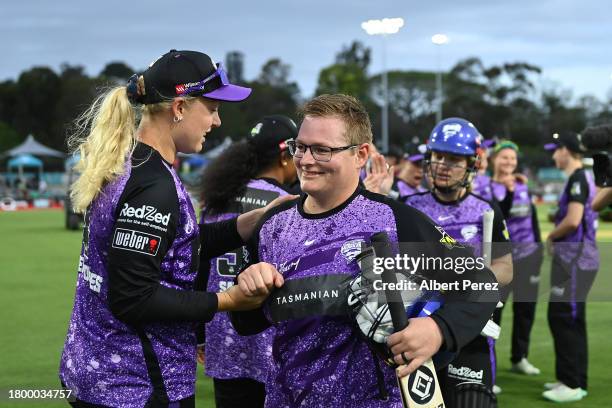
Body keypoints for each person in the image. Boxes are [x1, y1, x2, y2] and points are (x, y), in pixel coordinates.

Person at [231, 95, 498, 407]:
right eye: (300, 147)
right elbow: (248, 323)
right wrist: (248, 286)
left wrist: (437, 329)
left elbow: (480, 283)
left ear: (360, 155)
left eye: (322, 150)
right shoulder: (272, 225)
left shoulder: (394, 220)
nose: (304, 160)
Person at [58, 49, 287, 408]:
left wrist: (248, 223)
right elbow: (133, 297)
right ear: (179, 108)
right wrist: (228, 300)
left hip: (103, 373)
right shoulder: (153, 187)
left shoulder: (137, 164)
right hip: (136, 386)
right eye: (211, 108)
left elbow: (177, 249)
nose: (217, 122)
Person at [403, 117, 512, 406]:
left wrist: (470, 275)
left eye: (453, 159)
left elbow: (506, 268)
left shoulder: (486, 210)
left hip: (469, 329)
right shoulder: (409, 207)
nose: (442, 165)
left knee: (472, 401)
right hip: (417, 328)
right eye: (437, 156)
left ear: (472, 164)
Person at [197, 115, 298, 407]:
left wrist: (199, 335)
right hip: (267, 338)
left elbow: (199, 264)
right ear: (283, 156)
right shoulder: (287, 203)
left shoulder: (218, 197)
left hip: (221, 334)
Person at [542, 131, 599, 403]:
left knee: (564, 317)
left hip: (574, 260)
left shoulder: (578, 178)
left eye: (556, 149)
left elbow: (574, 220)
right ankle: (573, 378)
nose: (554, 155)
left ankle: (572, 383)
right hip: (576, 259)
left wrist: (551, 235)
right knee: (570, 319)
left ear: (566, 150)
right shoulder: (583, 178)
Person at [488, 140, 543, 376]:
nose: (509, 162)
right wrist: (508, 190)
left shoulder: (523, 186)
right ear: (494, 160)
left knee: (526, 310)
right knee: (494, 312)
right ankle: (489, 364)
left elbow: (532, 220)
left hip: (529, 256)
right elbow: (500, 215)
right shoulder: (487, 187)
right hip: (502, 260)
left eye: (513, 158)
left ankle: (520, 357)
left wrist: (538, 249)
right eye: (504, 157)